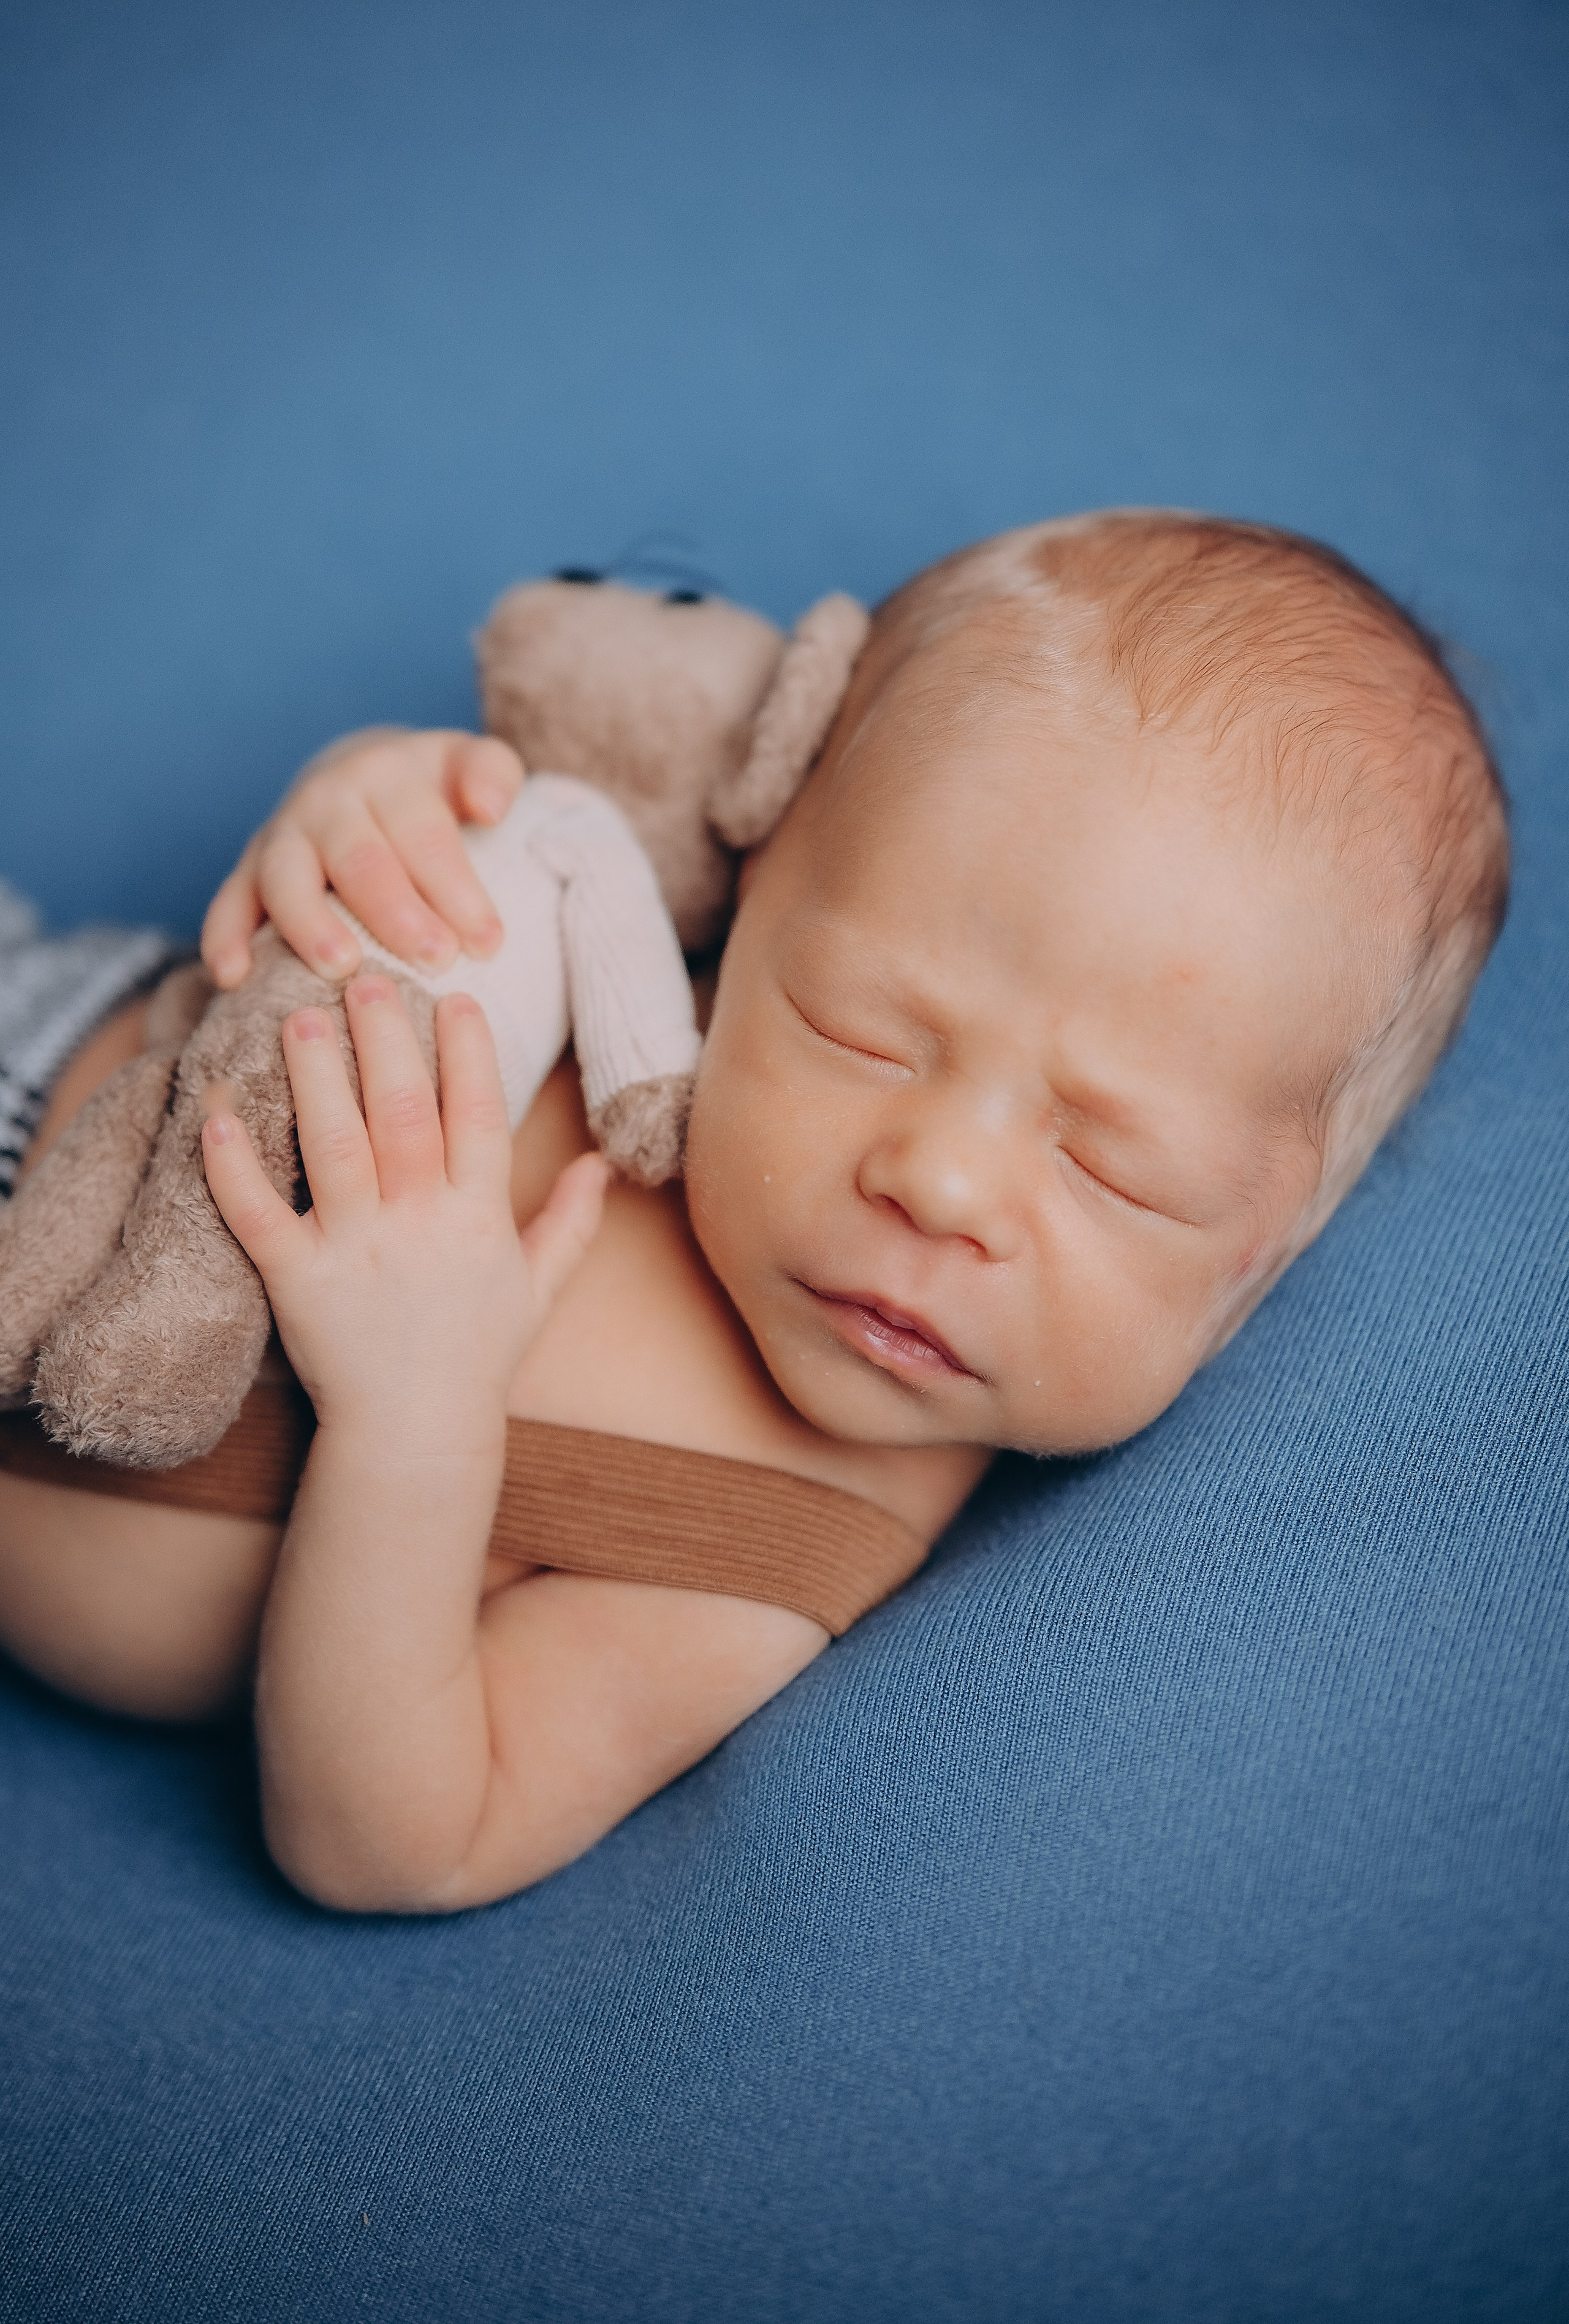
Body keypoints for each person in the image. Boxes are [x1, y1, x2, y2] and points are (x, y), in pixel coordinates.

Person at [0, 512, 1508, 1913]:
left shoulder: (776, 1548)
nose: (943, 1181)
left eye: (1115, 1168)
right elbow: (494, 853)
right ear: (756, 875)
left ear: (1271, 1252)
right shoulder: (666, 961)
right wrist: (370, 804)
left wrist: (415, 1417)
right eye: (865, 1031)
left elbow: (390, 1840)